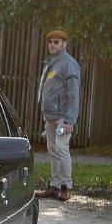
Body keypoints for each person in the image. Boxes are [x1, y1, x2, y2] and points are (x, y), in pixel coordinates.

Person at [35, 29, 81, 201]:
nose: (52, 45)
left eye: (56, 42)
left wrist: (69, 120)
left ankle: (66, 187)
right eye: (50, 42)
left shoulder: (68, 64)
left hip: (63, 118)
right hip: (50, 117)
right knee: (53, 151)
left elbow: (73, 94)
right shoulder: (51, 62)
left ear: (64, 44)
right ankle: (54, 186)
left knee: (61, 149)